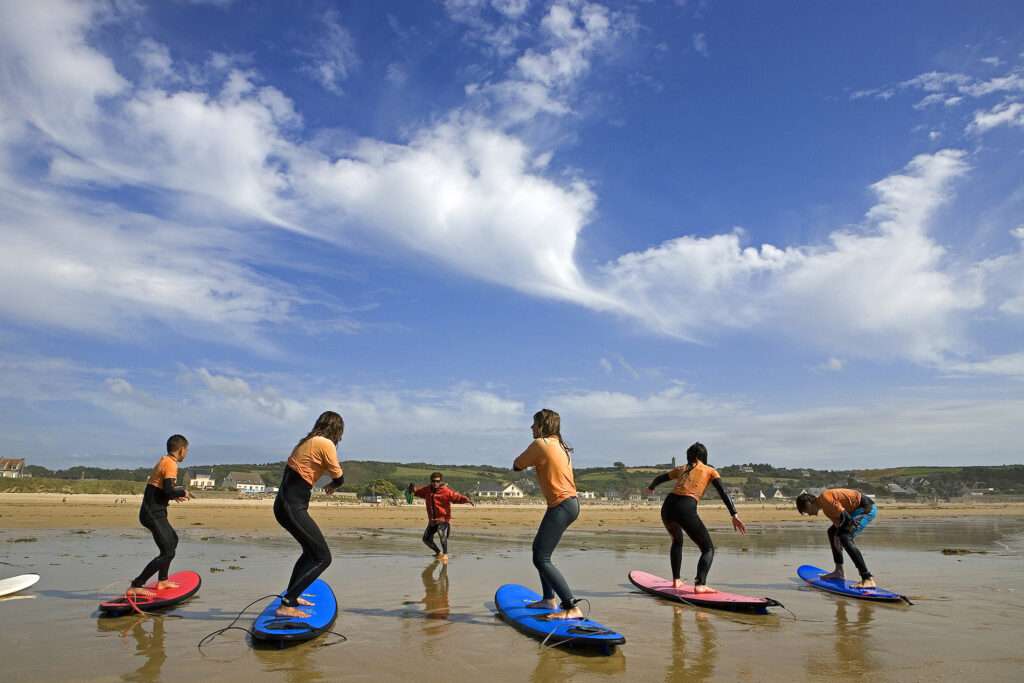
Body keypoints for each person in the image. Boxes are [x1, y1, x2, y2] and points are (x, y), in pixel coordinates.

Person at [646, 442, 746, 593]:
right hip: (685, 508)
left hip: (667, 507)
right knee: (708, 549)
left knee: (677, 541)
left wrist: (651, 487)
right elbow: (723, 492)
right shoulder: (710, 470)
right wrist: (734, 514)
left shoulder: (681, 469)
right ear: (703, 456)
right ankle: (700, 584)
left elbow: (660, 478)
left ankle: (676, 581)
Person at [273, 411, 346, 618]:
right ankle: (286, 605)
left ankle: (292, 597)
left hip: (287, 505)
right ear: (337, 430)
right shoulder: (324, 443)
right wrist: (334, 484)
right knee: (323, 557)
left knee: (310, 552)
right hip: (292, 506)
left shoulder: (309, 441)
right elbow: (339, 477)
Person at [513, 408, 582, 621]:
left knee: (541, 557)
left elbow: (517, 465)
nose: (531, 428)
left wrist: (524, 463)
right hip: (568, 504)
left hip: (562, 505)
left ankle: (571, 606)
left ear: (542, 426)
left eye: (534, 424)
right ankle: (548, 599)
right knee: (540, 552)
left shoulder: (541, 444)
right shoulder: (560, 446)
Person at [127, 435, 193, 597]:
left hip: (156, 513)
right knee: (168, 552)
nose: (187, 453)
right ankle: (137, 585)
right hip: (152, 514)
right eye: (187, 450)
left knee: (172, 541)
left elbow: (165, 490)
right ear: (182, 449)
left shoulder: (165, 461)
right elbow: (169, 490)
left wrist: (173, 494)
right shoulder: (170, 464)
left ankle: (162, 580)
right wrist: (182, 491)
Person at [796, 488, 877, 588]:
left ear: (808, 504)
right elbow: (840, 524)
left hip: (865, 509)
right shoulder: (827, 510)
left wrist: (839, 537)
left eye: (806, 511)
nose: (808, 514)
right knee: (832, 533)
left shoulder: (825, 498)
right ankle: (839, 571)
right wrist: (836, 537)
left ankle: (867, 578)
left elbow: (847, 519)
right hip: (853, 512)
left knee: (845, 537)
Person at [408, 472, 474, 562]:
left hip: (443, 519)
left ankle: (445, 554)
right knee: (426, 539)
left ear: (440, 481)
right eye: (433, 481)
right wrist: (412, 489)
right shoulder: (427, 490)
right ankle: (438, 553)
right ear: (431, 481)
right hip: (432, 520)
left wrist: (467, 500)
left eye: (437, 481)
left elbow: (456, 497)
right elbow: (417, 492)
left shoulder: (446, 491)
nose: (435, 483)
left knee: (440, 531)